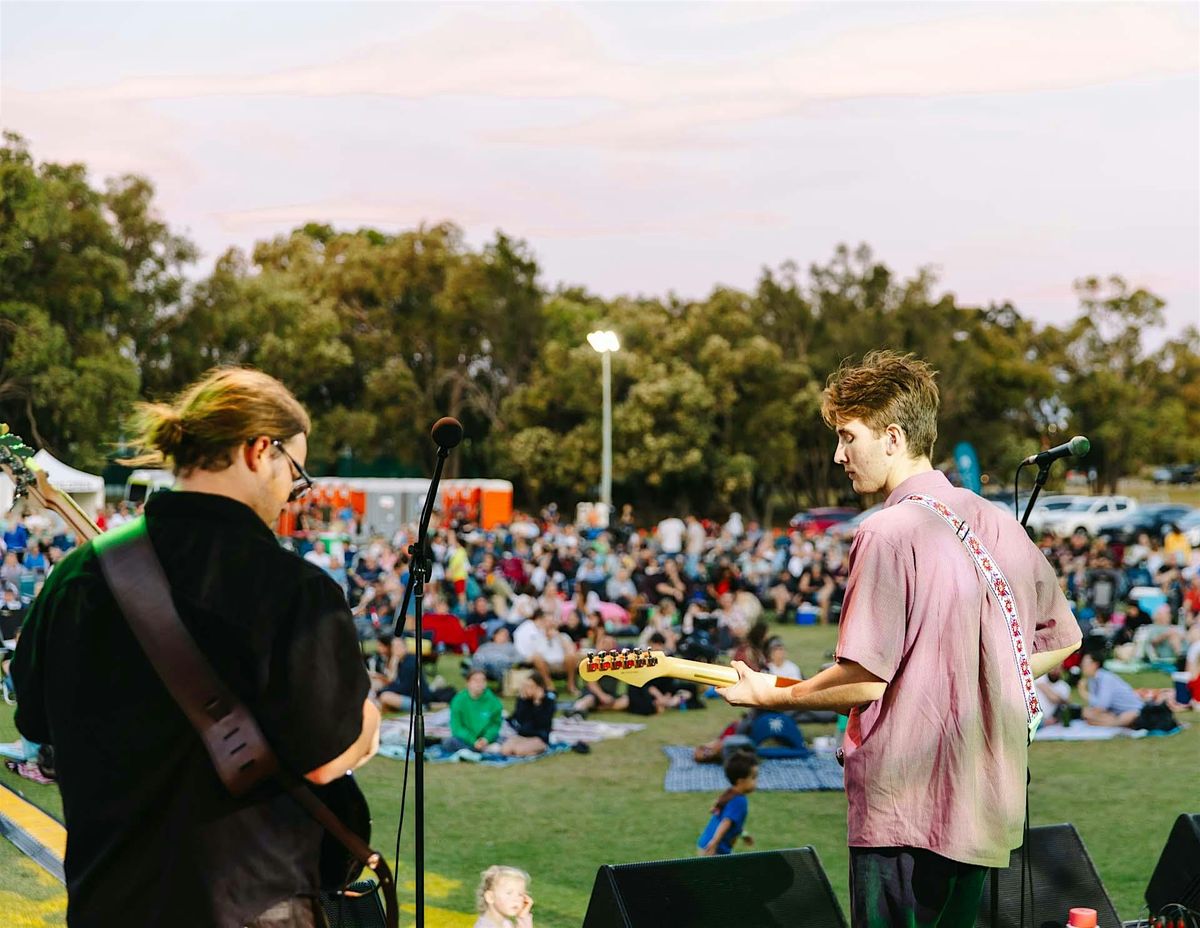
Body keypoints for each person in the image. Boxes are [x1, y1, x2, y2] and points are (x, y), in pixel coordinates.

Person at [716, 350, 1082, 927]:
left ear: (891, 436)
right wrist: (974, 672)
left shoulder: (887, 531)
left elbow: (863, 679)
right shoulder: (997, 521)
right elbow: (1061, 640)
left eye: (846, 436)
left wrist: (772, 696)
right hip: (985, 798)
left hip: (906, 807)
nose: (838, 455)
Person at [11, 367, 379, 928]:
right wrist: (369, 722)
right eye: (296, 473)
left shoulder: (73, 579)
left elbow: (35, 722)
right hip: (250, 905)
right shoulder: (292, 590)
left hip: (108, 904)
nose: (291, 495)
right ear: (260, 450)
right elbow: (329, 759)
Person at [696, 749, 757, 856]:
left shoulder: (730, 794)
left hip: (707, 844)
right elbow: (726, 822)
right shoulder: (739, 801)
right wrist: (714, 842)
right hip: (714, 849)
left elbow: (734, 823)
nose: (756, 781)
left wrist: (744, 834)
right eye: (753, 777)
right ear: (741, 781)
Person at [444, 669, 503, 754]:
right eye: (475, 680)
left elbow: (495, 724)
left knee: (502, 739)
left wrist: (486, 739)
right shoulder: (458, 700)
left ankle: (476, 750)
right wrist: (473, 741)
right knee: (448, 742)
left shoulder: (494, 701)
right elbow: (457, 727)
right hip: (467, 739)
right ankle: (481, 750)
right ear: (468, 683)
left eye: (483, 680)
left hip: (485, 739)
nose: (480, 683)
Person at [501, 675, 555, 757]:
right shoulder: (523, 700)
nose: (526, 689)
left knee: (519, 751)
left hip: (539, 737)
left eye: (530, 686)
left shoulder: (548, 701)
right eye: (525, 686)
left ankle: (541, 749)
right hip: (522, 735)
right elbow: (519, 719)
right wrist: (522, 701)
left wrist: (537, 703)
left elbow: (542, 723)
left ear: (539, 688)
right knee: (504, 750)